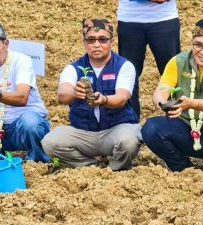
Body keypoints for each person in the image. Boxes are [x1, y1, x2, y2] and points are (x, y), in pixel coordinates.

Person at [141, 13, 203, 174]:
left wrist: (191, 103)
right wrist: (163, 104)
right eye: (197, 45)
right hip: (185, 125)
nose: (202, 52)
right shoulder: (178, 61)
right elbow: (161, 91)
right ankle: (183, 168)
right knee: (151, 129)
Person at [41, 19, 141, 171]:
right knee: (50, 142)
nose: (96, 44)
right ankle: (91, 167)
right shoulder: (73, 68)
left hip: (114, 130)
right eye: (91, 40)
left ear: (111, 42)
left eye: (102, 39)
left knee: (130, 140)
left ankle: (117, 168)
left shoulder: (124, 66)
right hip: (83, 133)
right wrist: (74, 92)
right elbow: (62, 95)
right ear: (84, 42)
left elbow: (121, 98)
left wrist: (104, 100)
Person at [0, 22, 50, 162]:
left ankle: (38, 163)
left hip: (22, 128)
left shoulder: (21, 61)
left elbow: (22, 98)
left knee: (30, 123)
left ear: (6, 44)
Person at [117, 0, 181, 119]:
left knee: (173, 71)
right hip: (129, 20)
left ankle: (180, 120)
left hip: (165, 18)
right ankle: (130, 124)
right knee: (129, 74)